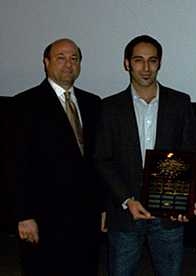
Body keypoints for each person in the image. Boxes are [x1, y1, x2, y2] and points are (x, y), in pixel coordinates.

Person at [94, 35, 196, 276]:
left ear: (159, 63)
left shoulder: (180, 103)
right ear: (127, 63)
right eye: (139, 60)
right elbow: (102, 159)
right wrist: (126, 199)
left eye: (152, 60)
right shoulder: (110, 107)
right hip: (125, 212)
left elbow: (189, 153)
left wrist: (183, 200)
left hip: (168, 214)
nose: (146, 68)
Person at [14, 38, 102, 276]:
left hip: (86, 217)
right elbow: (16, 164)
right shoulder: (24, 104)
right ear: (46, 62)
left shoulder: (93, 103)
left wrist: (103, 207)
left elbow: (98, 162)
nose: (68, 64)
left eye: (74, 58)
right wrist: (23, 215)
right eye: (61, 57)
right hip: (44, 218)